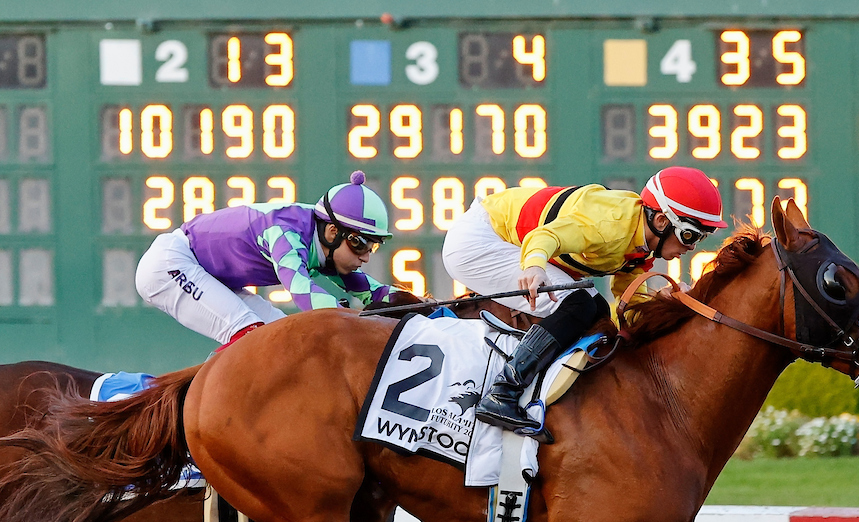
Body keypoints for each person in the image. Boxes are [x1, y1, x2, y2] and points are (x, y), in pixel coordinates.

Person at [441, 166, 726, 433]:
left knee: (597, 310)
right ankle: (503, 390)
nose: (690, 247)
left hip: (505, 240)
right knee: (578, 304)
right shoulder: (611, 224)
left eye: (699, 239)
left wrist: (667, 306)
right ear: (662, 220)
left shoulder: (640, 241)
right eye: (689, 235)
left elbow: (630, 304)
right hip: (480, 240)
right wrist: (535, 267)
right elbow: (545, 236)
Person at [135, 171, 402, 349]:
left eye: (373, 246)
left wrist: (427, 309)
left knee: (284, 339)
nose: (366, 256)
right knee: (252, 334)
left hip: (208, 273)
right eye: (361, 244)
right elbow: (304, 294)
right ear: (333, 232)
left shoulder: (324, 237)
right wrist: (352, 322)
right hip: (170, 265)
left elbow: (374, 293)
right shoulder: (285, 233)